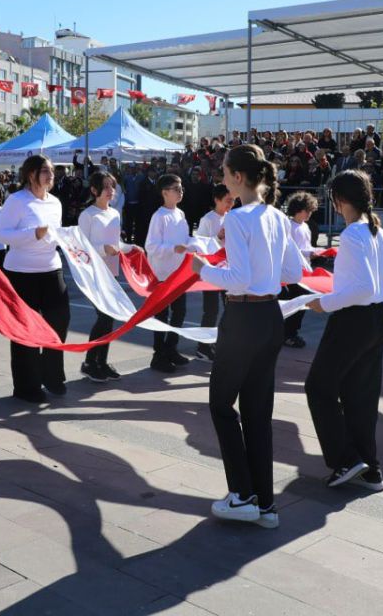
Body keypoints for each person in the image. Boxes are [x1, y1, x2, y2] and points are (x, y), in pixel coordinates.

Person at [192, 144, 302, 528]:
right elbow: (294, 270)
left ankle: (242, 494)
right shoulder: (277, 216)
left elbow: (236, 279)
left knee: (222, 405)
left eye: (224, 172)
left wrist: (202, 268)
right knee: (258, 414)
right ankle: (265, 504)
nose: (221, 178)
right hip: (271, 316)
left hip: (243, 316)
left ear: (239, 177)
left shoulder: (239, 218)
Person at [304, 169, 383, 493]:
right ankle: (370, 469)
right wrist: (382, 307)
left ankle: (345, 459)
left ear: (339, 200)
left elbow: (362, 288)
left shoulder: (352, 235)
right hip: (375, 320)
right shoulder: (376, 231)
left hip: (353, 320)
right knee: (360, 396)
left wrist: (327, 303)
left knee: (319, 387)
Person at [0, 155, 69, 403]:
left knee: (59, 320)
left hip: (51, 269)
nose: (51, 175)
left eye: (52, 171)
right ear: (31, 175)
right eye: (45, 171)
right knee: (24, 330)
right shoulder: (17, 201)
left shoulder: (56, 203)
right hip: (21, 273)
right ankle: (27, 386)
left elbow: (56, 234)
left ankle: (52, 375)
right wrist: (33, 234)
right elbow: (1, 234)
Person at [77, 171, 126, 383]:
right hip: (94, 274)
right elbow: (80, 248)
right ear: (94, 190)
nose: (110, 190)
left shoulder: (114, 214)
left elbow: (117, 243)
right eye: (105, 186)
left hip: (112, 273)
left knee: (109, 319)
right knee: (103, 317)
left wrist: (133, 248)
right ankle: (90, 362)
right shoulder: (88, 215)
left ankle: (101, 361)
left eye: (112, 186)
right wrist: (104, 249)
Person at [145, 174, 195, 372]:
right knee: (161, 315)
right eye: (176, 188)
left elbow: (184, 239)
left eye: (181, 187)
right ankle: (158, 355)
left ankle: (171, 348)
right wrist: (174, 248)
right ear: (165, 193)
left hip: (179, 273)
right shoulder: (159, 217)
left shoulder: (180, 214)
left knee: (180, 312)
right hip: (163, 274)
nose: (180, 191)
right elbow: (151, 246)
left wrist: (194, 244)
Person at [193, 184, 232, 361]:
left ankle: (221, 341)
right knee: (211, 310)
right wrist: (218, 238)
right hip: (210, 270)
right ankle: (203, 346)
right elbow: (200, 246)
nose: (230, 204)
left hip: (227, 270)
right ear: (217, 200)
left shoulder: (232, 217)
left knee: (230, 308)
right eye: (227, 201)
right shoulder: (208, 219)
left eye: (232, 200)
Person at [282, 191, 324, 349]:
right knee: (297, 303)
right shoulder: (289, 226)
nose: (310, 214)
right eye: (308, 210)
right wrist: (309, 252)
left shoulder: (305, 226)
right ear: (299, 209)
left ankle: (290, 331)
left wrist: (316, 252)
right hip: (292, 271)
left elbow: (305, 247)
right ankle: (288, 333)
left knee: (301, 303)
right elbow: (293, 250)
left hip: (305, 271)